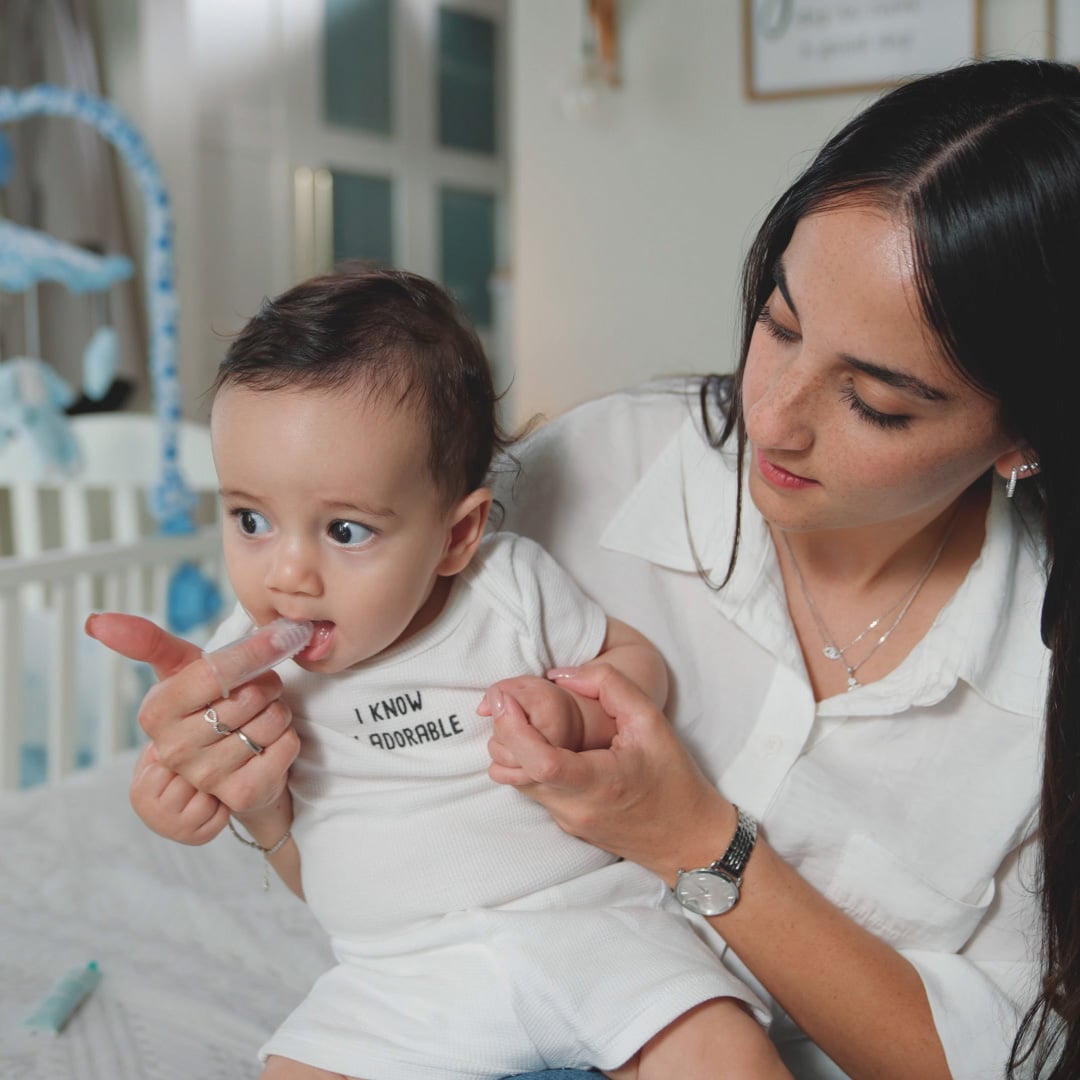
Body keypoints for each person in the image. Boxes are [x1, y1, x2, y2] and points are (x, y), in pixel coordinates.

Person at [90, 56, 1079, 1078]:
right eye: (778, 326)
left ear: (1024, 435)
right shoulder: (578, 479)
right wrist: (255, 799)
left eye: (876, 403)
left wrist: (695, 839)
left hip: (643, 985)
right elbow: (396, 839)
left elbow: (994, 1058)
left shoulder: (1039, 685)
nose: (772, 416)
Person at [86, 266, 790, 1080]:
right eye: (251, 518)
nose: (287, 573)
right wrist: (176, 796)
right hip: (395, 979)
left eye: (345, 530)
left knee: (723, 1052)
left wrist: (572, 715)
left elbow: (637, 667)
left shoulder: (507, 589)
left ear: (457, 536)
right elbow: (226, 773)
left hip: (592, 932)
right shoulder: (246, 652)